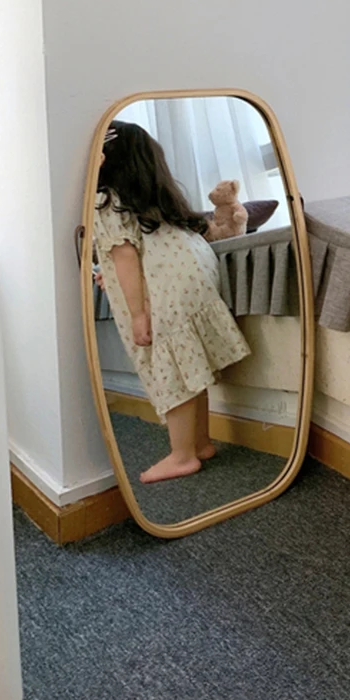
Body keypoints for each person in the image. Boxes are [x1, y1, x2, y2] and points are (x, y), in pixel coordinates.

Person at [93, 120, 251, 484]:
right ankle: (200, 443)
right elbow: (139, 253)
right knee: (191, 366)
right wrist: (110, 276)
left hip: (166, 288)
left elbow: (126, 257)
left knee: (172, 372)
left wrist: (137, 314)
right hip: (194, 273)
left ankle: (182, 456)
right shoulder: (158, 202)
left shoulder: (105, 201)